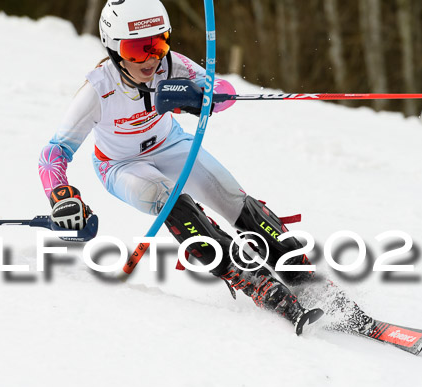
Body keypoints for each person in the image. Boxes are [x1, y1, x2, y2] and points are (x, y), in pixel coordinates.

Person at [39, 0, 322, 334]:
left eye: (158, 43)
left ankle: (300, 273)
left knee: (231, 196)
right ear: (114, 49)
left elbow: (224, 91)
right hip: (120, 165)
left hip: (170, 145)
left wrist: (200, 96)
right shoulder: (99, 89)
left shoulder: (171, 66)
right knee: (168, 199)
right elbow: (53, 153)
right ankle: (250, 280)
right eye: (135, 49)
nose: (150, 58)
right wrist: (60, 196)